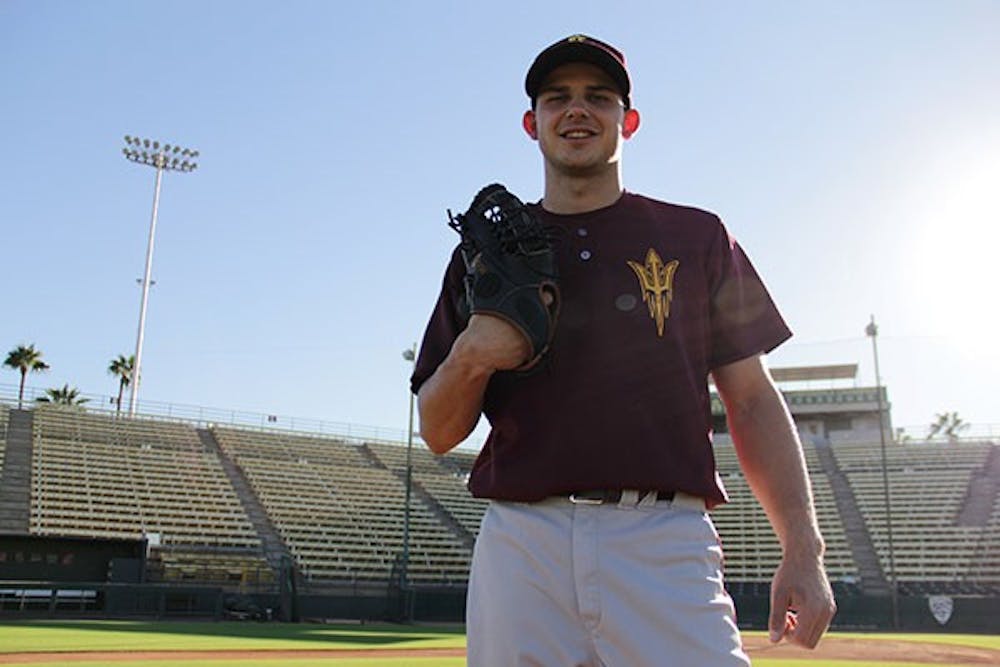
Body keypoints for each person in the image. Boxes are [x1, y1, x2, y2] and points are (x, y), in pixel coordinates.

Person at [410, 34, 836, 666]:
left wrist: (804, 548)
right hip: (523, 541)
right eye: (558, 98)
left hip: (663, 538)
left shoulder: (696, 236)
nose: (576, 110)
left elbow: (750, 399)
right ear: (532, 124)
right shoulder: (484, 256)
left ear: (627, 121)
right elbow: (440, 432)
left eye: (598, 97)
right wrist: (473, 352)